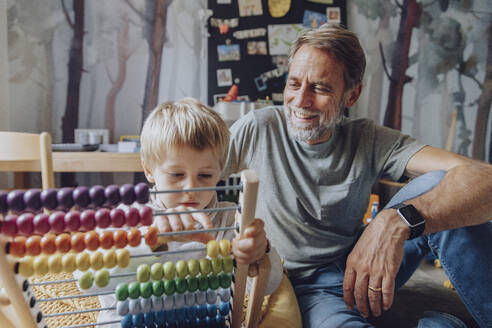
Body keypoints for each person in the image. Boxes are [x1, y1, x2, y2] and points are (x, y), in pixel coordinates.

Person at [222, 23, 492, 327]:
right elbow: (193, 179)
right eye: (294, 83)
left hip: (354, 269)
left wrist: (395, 221)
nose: (300, 100)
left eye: (320, 88)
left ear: (352, 95)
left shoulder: (368, 139)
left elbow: (485, 180)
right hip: (290, 284)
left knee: (440, 185)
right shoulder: (258, 127)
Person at [92, 98, 283, 327]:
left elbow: (269, 285)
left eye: (205, 175)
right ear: (149, 170)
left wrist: (261, 252)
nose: (191, 188)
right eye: (176, 175)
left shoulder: (230, 220)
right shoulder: (128, 219)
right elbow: (93, 283)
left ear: (220, 172)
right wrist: (151, 242)